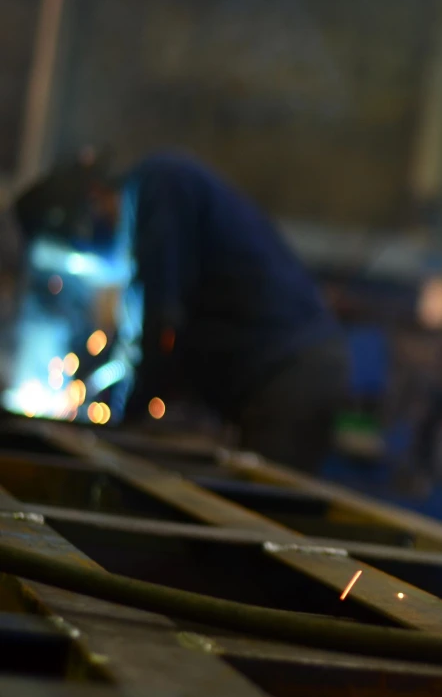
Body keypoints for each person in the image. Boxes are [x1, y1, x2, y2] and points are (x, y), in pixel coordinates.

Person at [13, 151, 346, 472]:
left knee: (262, 515)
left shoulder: (160, 185)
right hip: (280, 379)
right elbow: (145, 334)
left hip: (292, 377)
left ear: (92, 198)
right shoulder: (145, 216)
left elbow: (160, 327)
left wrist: (121, 419)